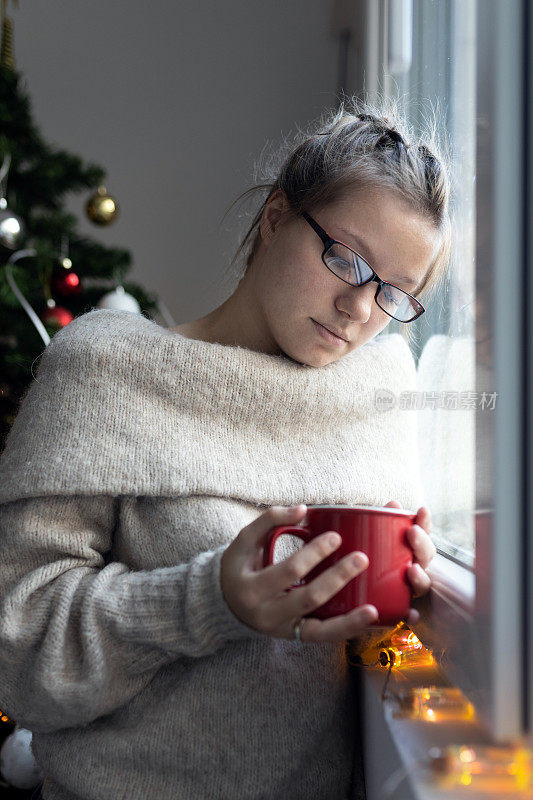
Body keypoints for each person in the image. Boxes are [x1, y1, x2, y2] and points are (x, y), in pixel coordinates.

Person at [0, 96, 449, 800]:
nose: (359, 309)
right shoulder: (104, 371)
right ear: (275, 218)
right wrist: (209, 600)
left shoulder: (379, 397)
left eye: (395, 292)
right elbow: (16, 652)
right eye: (347, 261)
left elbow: (376, 657)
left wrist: (406, 615)